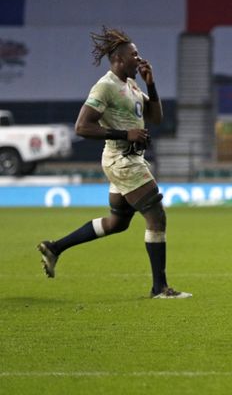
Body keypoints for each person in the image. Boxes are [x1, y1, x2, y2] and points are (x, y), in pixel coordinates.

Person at [36, 26, 191, 299]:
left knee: (117, 223)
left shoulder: (130, 85)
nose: (140, 59)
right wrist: (125, 134)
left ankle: (54, 247)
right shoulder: (105, 86)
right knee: (156, 216)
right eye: (135, 55)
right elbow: (82, 127)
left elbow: (155, 118)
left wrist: (150, 84)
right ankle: (160, 288)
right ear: (119, 59)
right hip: (122, 160)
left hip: (128, 158)